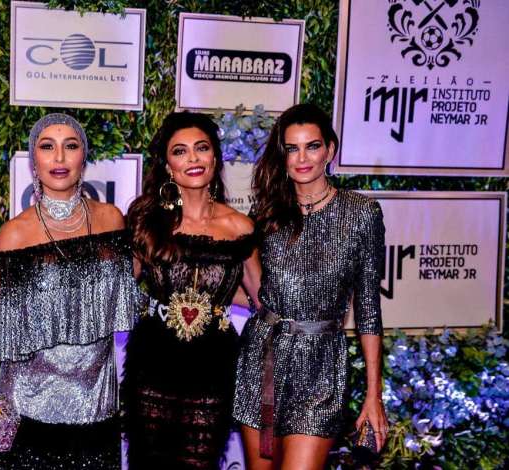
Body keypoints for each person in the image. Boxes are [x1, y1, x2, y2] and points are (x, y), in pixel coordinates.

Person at [0, 113, 137, 470]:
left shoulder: (111, 220)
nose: (59, 157)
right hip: (28, 409)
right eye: (47, 146)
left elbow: (123, 290)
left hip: (96, 407)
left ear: (83, 157)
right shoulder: (15, 234)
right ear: (34, 161)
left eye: (70, 146)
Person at [233, 104, 388, 470]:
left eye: (312, 146)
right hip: (263, 359)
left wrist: (374, 394)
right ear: (282, 155)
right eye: (292, 148)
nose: (302, 158)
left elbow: (368, 309)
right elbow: (255, 290)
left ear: (329, 150)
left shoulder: (362, 213)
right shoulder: (266, 214)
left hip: (321, 366)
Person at [123, 111, 260, 469]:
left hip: (213, 367)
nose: (193, 159)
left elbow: (263, 300)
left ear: (215, 157)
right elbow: (119, 288)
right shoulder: (147, 219)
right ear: (168, 165)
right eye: (180, 151)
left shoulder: (241, 227)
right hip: (153, 362)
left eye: (201, 148)